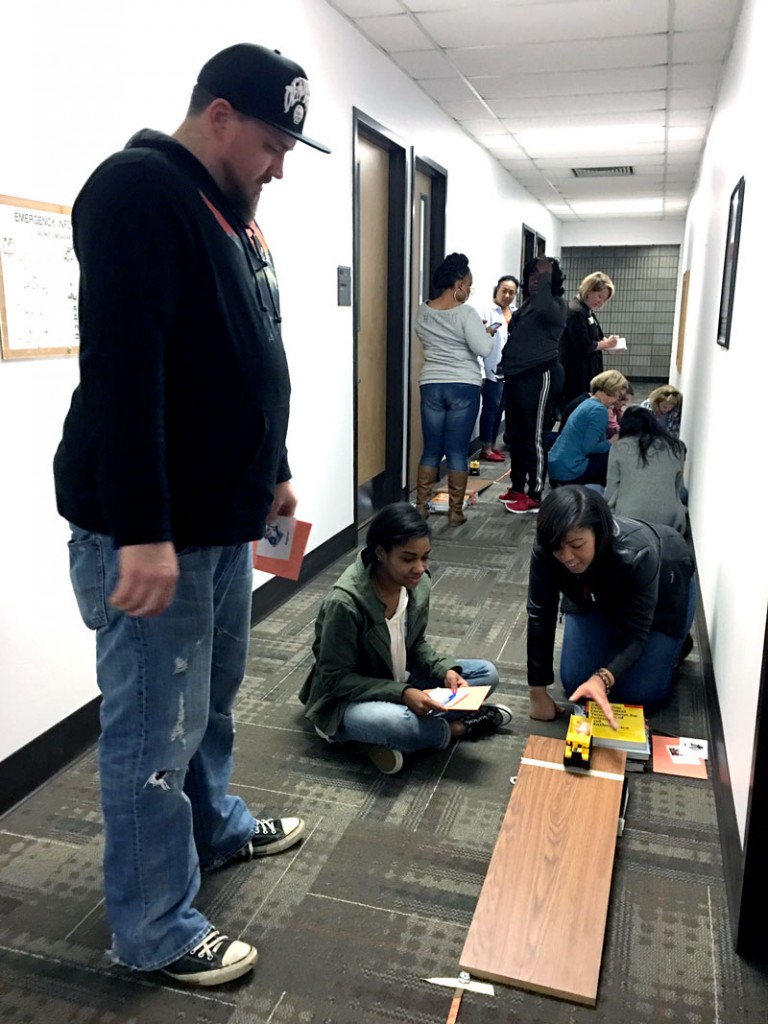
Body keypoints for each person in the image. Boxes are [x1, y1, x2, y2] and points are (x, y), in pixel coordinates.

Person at [53, 44, 330, 987]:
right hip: (153, 531)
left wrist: (276, 472)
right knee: (150, 733)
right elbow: (125, 376)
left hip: (218, 519)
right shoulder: (138, 192)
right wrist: (141, 530)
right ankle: (153, 928)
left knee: (207, 705)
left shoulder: (229, 212)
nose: (279, 167)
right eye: (269, 143)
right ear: (217, 116)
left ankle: (213, 829)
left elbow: (244, 353)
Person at [300, 503, 511, 773]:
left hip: (400, 678)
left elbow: (415, 644)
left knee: (485, 674)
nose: (419, 568)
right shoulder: (345, 603)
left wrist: (444, 669)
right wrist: (402, 693)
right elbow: (334, 679)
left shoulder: (417, 585)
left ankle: (381, 739)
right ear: (381, 553)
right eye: (408, 559)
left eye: (425, 558)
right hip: (346, 699)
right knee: (400, 725)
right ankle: (459, 728)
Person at [526, 486, 696, 724]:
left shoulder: (638, 552)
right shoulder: (548, 545)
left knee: (641, 696)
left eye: (576, 545)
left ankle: (676, 648)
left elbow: (636, 635)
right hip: (594, 594)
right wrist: (537, 691)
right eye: (558, 548)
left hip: (664, 590)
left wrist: (602, 678)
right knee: (575, 682)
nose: (567, 557)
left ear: (599, 532)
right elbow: (540, 613)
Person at [414, 253, 493, 526]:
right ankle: (455, 512)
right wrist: (487, 336)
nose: (469, 291)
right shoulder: (466, 313)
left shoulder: (422, 311)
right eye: (469, 285)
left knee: (431, 450)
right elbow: (482, 349)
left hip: (432, 385)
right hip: (463, 385)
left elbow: (435, 341)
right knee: (458, 450)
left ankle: (422, 507)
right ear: (458, 283)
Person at [498, 256, 568, 514]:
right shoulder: (527, 306)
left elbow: (545, 307)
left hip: (539, 376)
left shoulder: (556, 305)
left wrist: (547, 276)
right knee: (515, 434)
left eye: (542, 277)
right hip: (516, 376)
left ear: (552, 279)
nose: (535, 281)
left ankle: (535, 494)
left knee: (533, 435)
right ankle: (517, 487)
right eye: (532, 276)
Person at [605, 406, 688, 534]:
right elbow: (678, 487)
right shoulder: (677, 446)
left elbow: (611, 489)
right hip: (669, 519)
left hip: (628, 518)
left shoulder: (619, 447)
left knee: (595, 488)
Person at [547, 370, 629, 489]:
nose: (617, 401)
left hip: (557, 468)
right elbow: (589, 448)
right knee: (613, 456)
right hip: (570, 471)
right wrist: (611, 442)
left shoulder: (586, 403)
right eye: (618, 396)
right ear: (612, 390)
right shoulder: (599, 411)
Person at [559, 272, 619, 406]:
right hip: (576, 374)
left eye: (604, 299)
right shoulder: (576, 311)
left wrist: (605, 343)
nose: (601, 302)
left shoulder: (587, 311)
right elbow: (583, 345)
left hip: (586, 371)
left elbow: (593, 337)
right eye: (599, 296)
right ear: (589, 290)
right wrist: (606, 344)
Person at [477, 275, 519, 462]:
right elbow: (477, 341)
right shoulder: (486, 311)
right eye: (505, 290)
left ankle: (492, 444)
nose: (508, 295)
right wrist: (480, 372)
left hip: (508, 371)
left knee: (500, 408)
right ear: (497, 290)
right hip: (490, 370)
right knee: (490, 408)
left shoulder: (515, 313)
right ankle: (485, 447)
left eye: (512, 292)